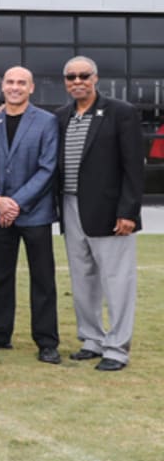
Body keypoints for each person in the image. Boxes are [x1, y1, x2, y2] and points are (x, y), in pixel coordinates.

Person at [56, 56, 143, 371]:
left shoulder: (121, 113)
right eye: (70, 77)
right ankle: (91, 340)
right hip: (70, 207)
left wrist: (129, 212)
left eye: (83, 75)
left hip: (111, 212)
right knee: (83, 279)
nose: (77, 81)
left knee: (117, 280)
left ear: (96, 77)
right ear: (65, 81)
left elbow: (134, 167)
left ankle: (117, 348)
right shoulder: (62, 116)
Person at [0, 66, 60, 364]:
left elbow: (48, 169)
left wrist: (16, 203)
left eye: (21, 83)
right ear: (2, 86)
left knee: (43, 280)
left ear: (31, 88)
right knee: (0, 278)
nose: (15, 87)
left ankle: (47, 341)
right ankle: (0, 332)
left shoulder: (47, 122)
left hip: (34, 214)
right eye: (10, 82)